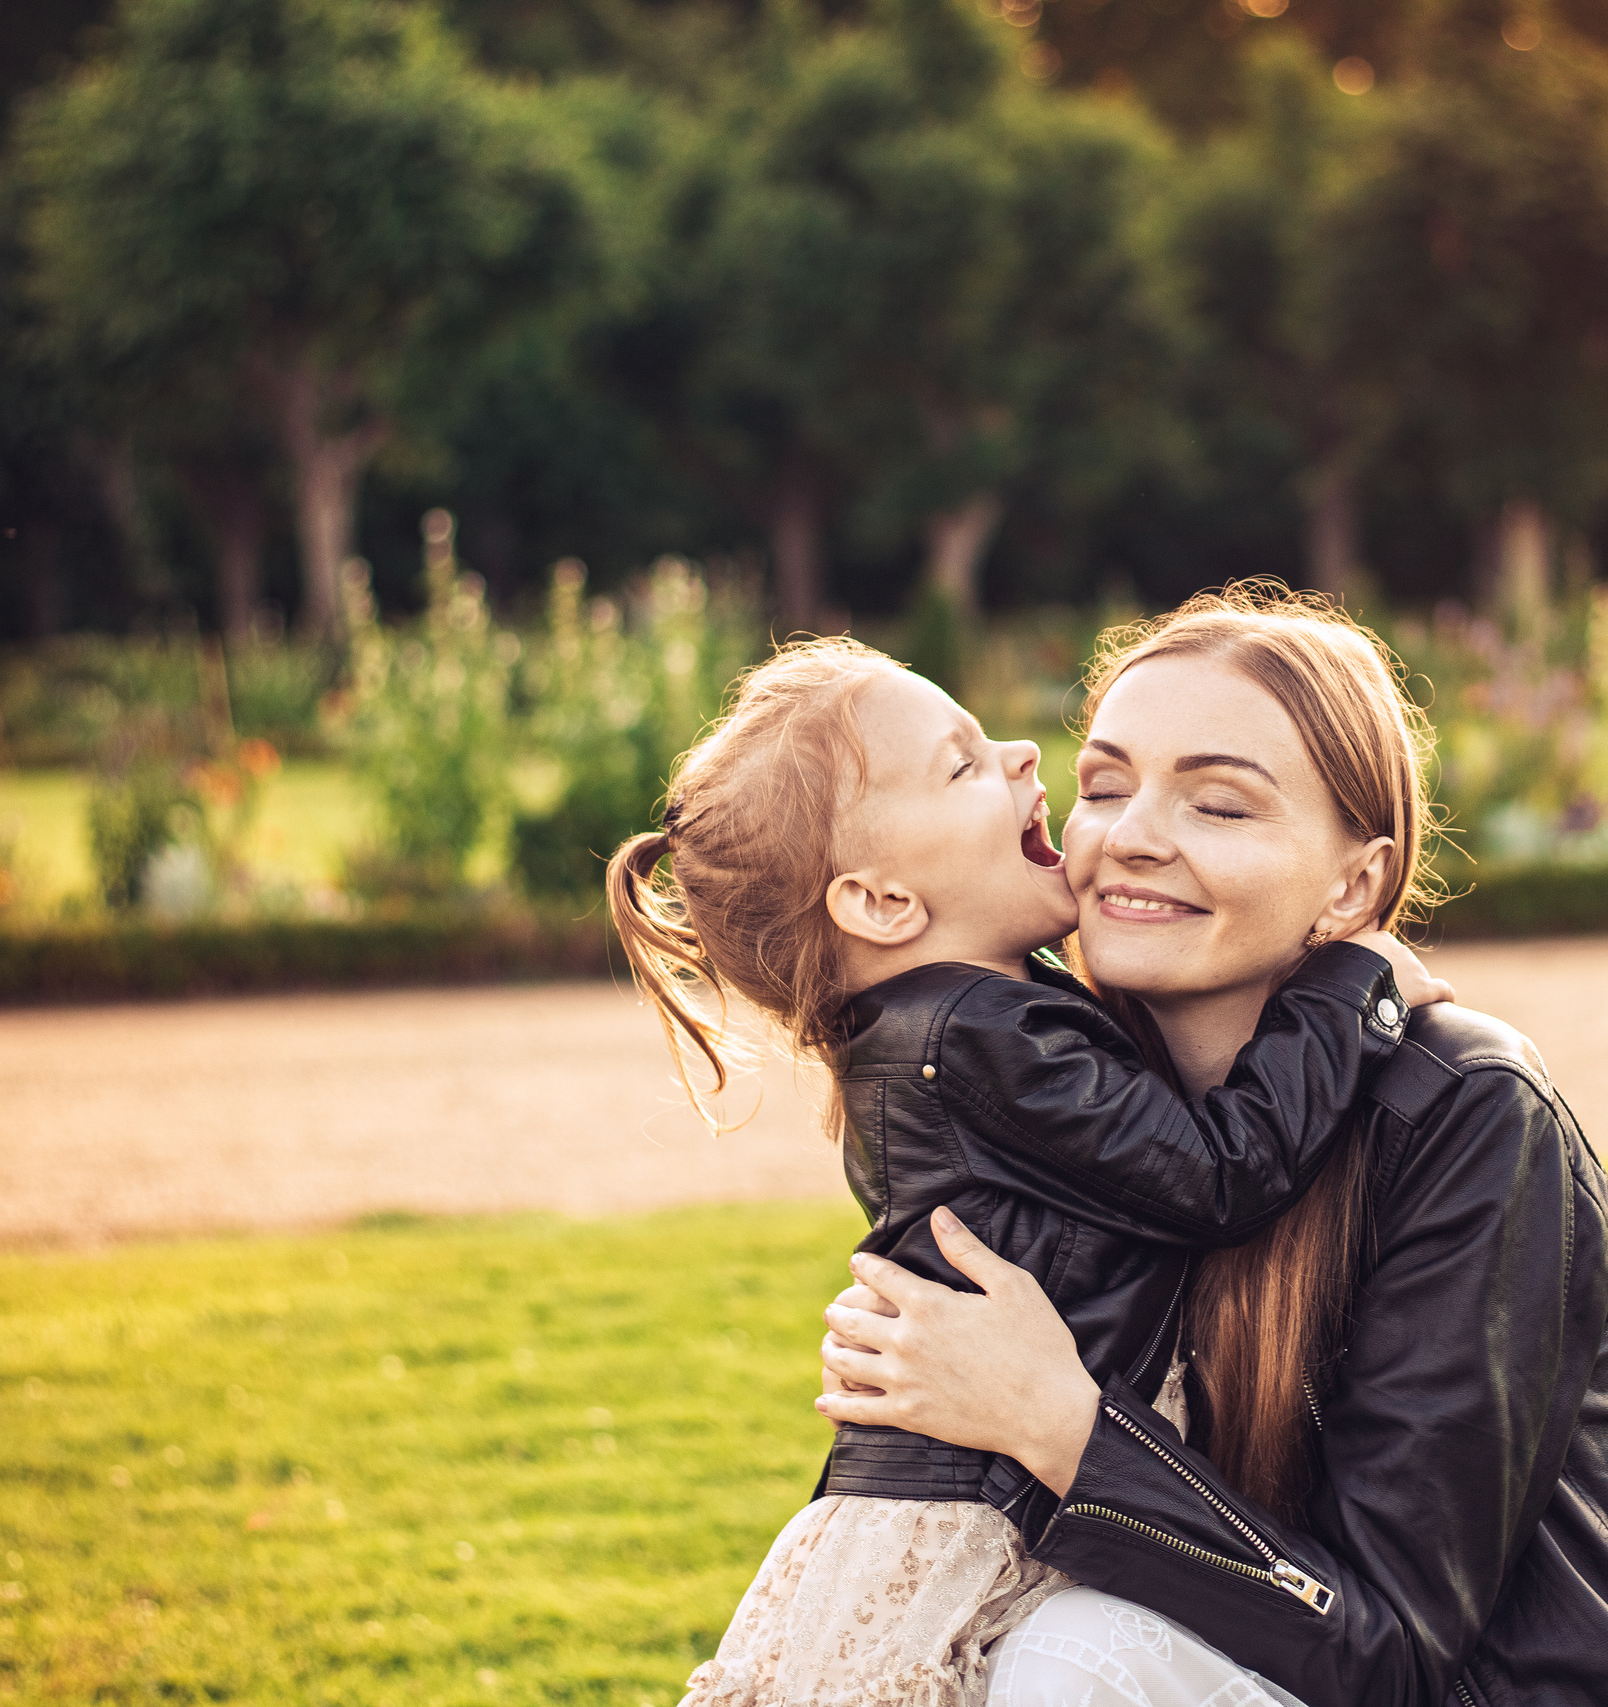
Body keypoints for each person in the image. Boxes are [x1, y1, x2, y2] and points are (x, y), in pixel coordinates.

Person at [817, 586, 1608, 1707]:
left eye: (1219, 807)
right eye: (1105, 785)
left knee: (1073, 1658)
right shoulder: (1067, 1111)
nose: (1129, 836)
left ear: (1353, 886)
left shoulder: (1465, 1112)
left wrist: (1060, 1426)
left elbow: (1391, 1654)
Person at [602, 633, 1452, 1707]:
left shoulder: (953, 1028)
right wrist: (1351, 986)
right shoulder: (973, 1039)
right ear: (882, 904)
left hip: (978, 1498)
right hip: (966, 1525)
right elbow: (1219, 1174)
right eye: (959, 765)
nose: (1017, 754)